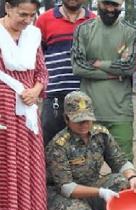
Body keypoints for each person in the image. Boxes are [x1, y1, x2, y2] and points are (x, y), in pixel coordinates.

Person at [71, 0, 136, 210]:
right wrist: (113, 71)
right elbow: (78, 66)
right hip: (88, 113)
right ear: (99, 3)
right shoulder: (83, 30)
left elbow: (130, 66)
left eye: (116, 6)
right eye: (107, 4)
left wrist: (99, 64)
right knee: (84, 170)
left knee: (125, 171)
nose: (111, 10)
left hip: (121, 112)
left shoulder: (131, 32)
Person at [45, 91, 136, 210]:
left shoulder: (101, 134)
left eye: (88, 119)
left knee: (120, 182)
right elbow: (67, 188)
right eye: (78, 120)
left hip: (92, 187)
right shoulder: (58, 145)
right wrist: (101, 192)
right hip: (61, 196)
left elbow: (120, 161)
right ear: (66, 119)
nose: (84, 124)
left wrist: (132, 177)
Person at [0, 0, 48, 210]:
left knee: (20, 173)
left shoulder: (32, 36)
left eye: (32, 15)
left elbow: (41, 70)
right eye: (22, 14)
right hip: (2, 113)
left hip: (26, 116)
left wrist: (37, 89)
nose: (27, 20)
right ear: (8, 7)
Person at [35, 0, 94, 145]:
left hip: (84, 96)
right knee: (49, 144)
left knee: (82, 146)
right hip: (54, 94)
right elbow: (36, 57)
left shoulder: (94, 21)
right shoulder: (44, 20)